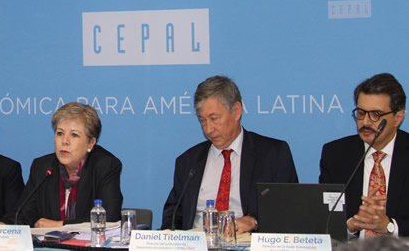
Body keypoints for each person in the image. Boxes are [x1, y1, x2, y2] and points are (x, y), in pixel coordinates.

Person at [161, 75, 298, 233]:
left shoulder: (273, 154)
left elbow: (290, 212)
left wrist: (254, 221)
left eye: (214, 118)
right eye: (203, 120)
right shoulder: (188, 162)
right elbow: (172, 218)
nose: (208, 129)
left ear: (237, 111)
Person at [4, 102, 123, 227]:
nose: (65, 141)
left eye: (74, 135)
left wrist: (61, 225)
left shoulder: (105, 165)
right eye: (60, 133)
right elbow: (23, 214)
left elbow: (109, 217)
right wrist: (4, 225)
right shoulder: (43, 167)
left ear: (91, 142)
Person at [320, 73, 409, 238]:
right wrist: (350, 226)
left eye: (375, 115)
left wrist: (389, 227)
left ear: (398, 118)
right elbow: (323, 220)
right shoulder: (335, 154)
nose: (366, 122)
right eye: (361, 113)